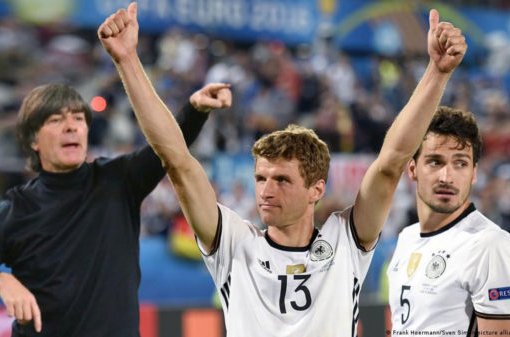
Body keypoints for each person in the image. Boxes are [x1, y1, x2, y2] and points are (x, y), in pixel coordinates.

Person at [98, 4, 466, 336]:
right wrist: (127, 61)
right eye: (260, 178)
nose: (266, 190)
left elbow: (390, 164)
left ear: (316, 190)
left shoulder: (344, 242)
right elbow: (177, 161)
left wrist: (436, 73)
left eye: (282, 180)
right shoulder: (234, 242)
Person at [0, 81, 230, 335]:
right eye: (56, 120)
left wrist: (195, 109)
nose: (71, 126)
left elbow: (167, 148)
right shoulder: (15, 209)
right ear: (33, 139)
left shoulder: (119, 180)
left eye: (78, 118)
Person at [387, 107, 510, 335]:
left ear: (474, 173)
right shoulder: (407, 238)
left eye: (460, 163)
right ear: (412, 169)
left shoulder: (490, 245)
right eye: (435, 162)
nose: (447, 177)